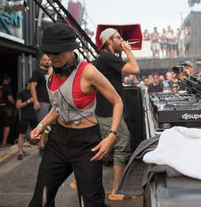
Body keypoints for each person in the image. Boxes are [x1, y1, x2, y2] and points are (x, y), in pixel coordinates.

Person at [29, 23, 123, 207]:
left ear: (71, 49)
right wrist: (41, 126)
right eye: (49, 53)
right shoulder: (51, 72)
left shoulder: (88, 71)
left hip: (87, 143)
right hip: (58, 141)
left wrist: (112, 135)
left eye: (57, 52)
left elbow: (117, 101)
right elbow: (58, 107)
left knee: (90, 202)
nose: (51, 57)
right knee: (40, 199)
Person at [93, 27, 139, 201]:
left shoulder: (104, 59)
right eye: (118, 38)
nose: (121, 40)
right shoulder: (107, 58)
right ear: (108, 41)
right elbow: (135, 69)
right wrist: (128, 50)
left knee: (103, 149)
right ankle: (116, 191)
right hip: (108, 112)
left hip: (104, 111)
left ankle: (83, 181)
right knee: (121, 145)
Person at [30, 53, 51, 153]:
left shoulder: (52, 71)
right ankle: (41, 145)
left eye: (48, 60)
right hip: (42, 102)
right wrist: (35, 101)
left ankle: (45, 142)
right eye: (45, 60)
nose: (47, 61)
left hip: (51, 102)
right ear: (41, 61)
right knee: (43, 124)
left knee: (49, 125)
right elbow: (32, 86)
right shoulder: (37, 71)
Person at [16, 80, 38, 160]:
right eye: (32, 84)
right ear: (28, 84)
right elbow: (18, 105)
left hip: (34, 116)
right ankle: (20, 152)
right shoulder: (22, 92)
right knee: (22, 134)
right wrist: (29, 101)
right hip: (25, 116)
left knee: (38, 133)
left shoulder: (35, 92)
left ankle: (41, 149)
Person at [0, 74, 15, 146]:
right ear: (8, 79)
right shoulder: (7, 87)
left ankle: (0, 139)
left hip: (0, 107)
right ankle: (4, 142)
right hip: (7, 108)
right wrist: (14, 103)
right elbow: (10, 98)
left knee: (2, 124)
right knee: (7, 125)